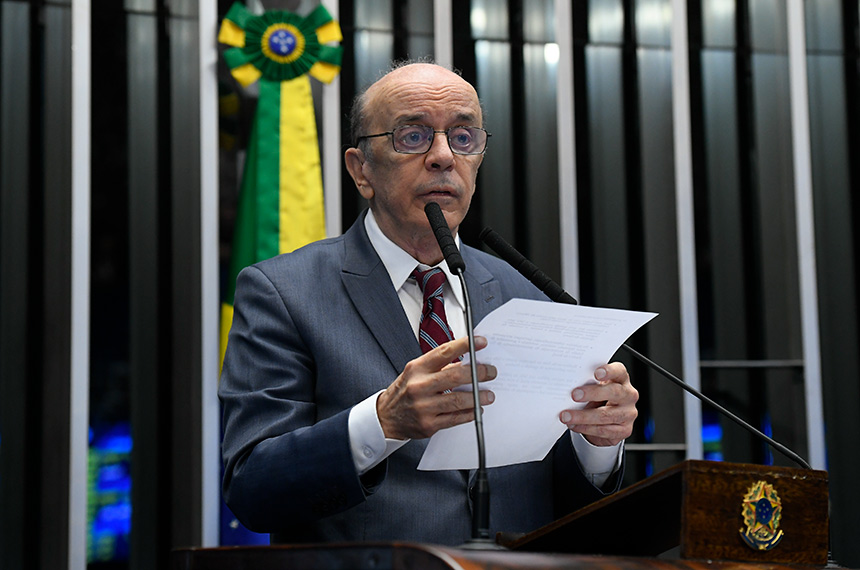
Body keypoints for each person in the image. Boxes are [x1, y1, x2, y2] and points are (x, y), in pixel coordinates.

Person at [219, 62, 639, 546]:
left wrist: (597, 442)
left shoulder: (526, 292)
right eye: (413, 136)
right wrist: (381, 422)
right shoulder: (283, 291)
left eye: (463, 137)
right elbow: (252, 486)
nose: (443, 156)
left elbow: (554, 500)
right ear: (361, 170)